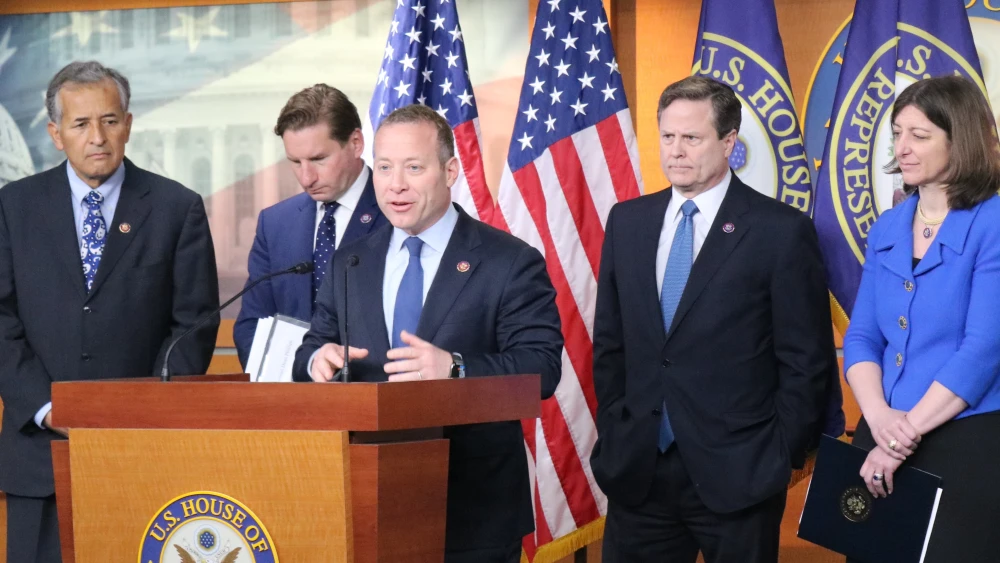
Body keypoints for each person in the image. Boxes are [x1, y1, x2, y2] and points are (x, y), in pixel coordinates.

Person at [292, 104, 562, 563]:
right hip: (367, 501)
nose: (395, 184)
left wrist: (457, 367)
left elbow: (542, 368)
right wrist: (317, 358)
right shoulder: (351, 261)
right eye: (384, 167)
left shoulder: (508, 261)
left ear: (450, 170)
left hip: (473, 509)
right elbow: (309, 350)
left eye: (413, 168)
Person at [590, 76, 836, 563]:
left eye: (692, 138)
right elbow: (610, 344)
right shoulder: (628, 221)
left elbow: (805, 359)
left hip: (739, 475)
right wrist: (619, 425)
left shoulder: (780, 231)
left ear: (729, 143)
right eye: (667, 136)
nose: (676, 151)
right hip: (640, 471)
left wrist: (781, 451)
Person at [0, 60, 219, 562]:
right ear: (56, 134)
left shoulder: (175, 208)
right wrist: (46, 406)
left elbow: (194, 327)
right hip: (38, 455)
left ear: (128, 124)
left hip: (140, 453)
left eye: (110, 120)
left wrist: (136, 413)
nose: (97, 136)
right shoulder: (13, 208)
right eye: (80, 124)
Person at [844, 75, 1000, 562]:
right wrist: (877, 418)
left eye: (919, 134)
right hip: (880, 435)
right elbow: (863, 337)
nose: (902, 148)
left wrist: (898, 439)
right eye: (896, 133)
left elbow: (982, 350)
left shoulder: (993, 221)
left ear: (961, 138)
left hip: (963, 444)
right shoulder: (888, 226)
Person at [233, 84, 385, 368]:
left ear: (355, 143)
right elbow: (251, 327)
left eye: (318, 159)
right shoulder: (275, 224)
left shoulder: (398, 212)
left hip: (373, 395)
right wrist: (304, 372)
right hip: (293, 400)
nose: (306, 177)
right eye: (295, 162)